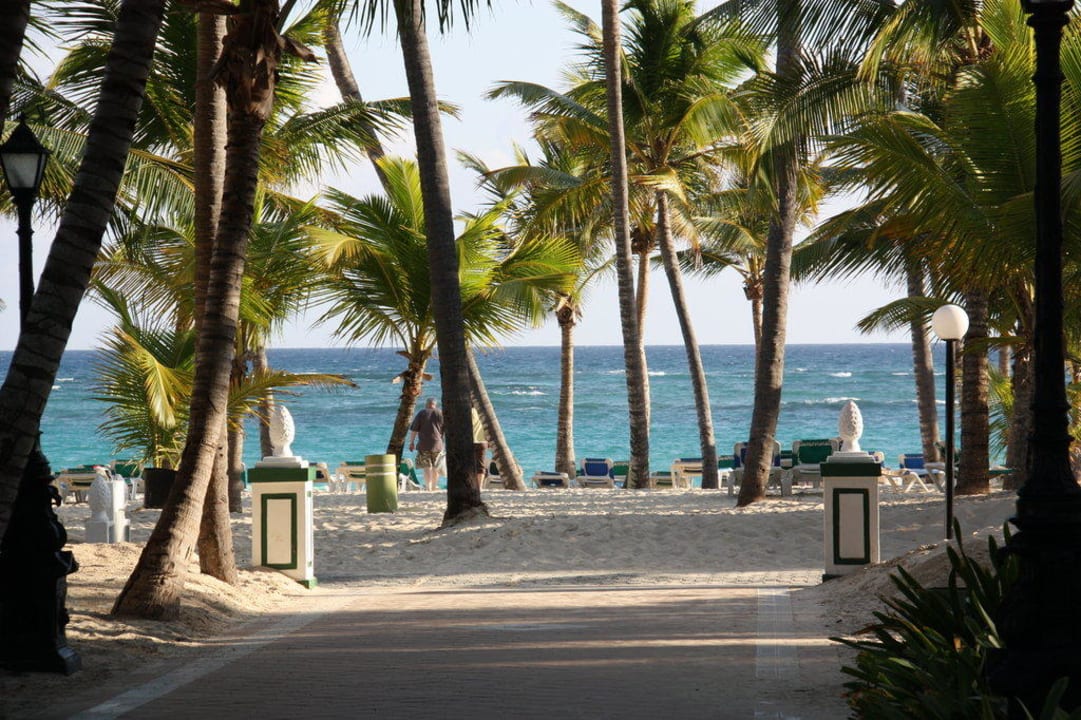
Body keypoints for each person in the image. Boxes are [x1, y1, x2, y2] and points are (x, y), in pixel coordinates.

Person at [408, 397, 444, 491]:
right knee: (436, 467)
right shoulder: (440, 413)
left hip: (424, 445)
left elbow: (414, 430)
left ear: (426, 404)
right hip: (438, 445)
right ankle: (433, 487)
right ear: (435, 404)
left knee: (427, 467)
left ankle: (428, 487)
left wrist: (411, 442)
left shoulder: (422, 413)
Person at [471, 406, 488, 490]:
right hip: (482, 442)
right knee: (480, 465)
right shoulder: (483, 412)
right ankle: (479, 486)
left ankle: (472, 485)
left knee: (469, 465)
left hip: (470, 442)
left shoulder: (467, 412)